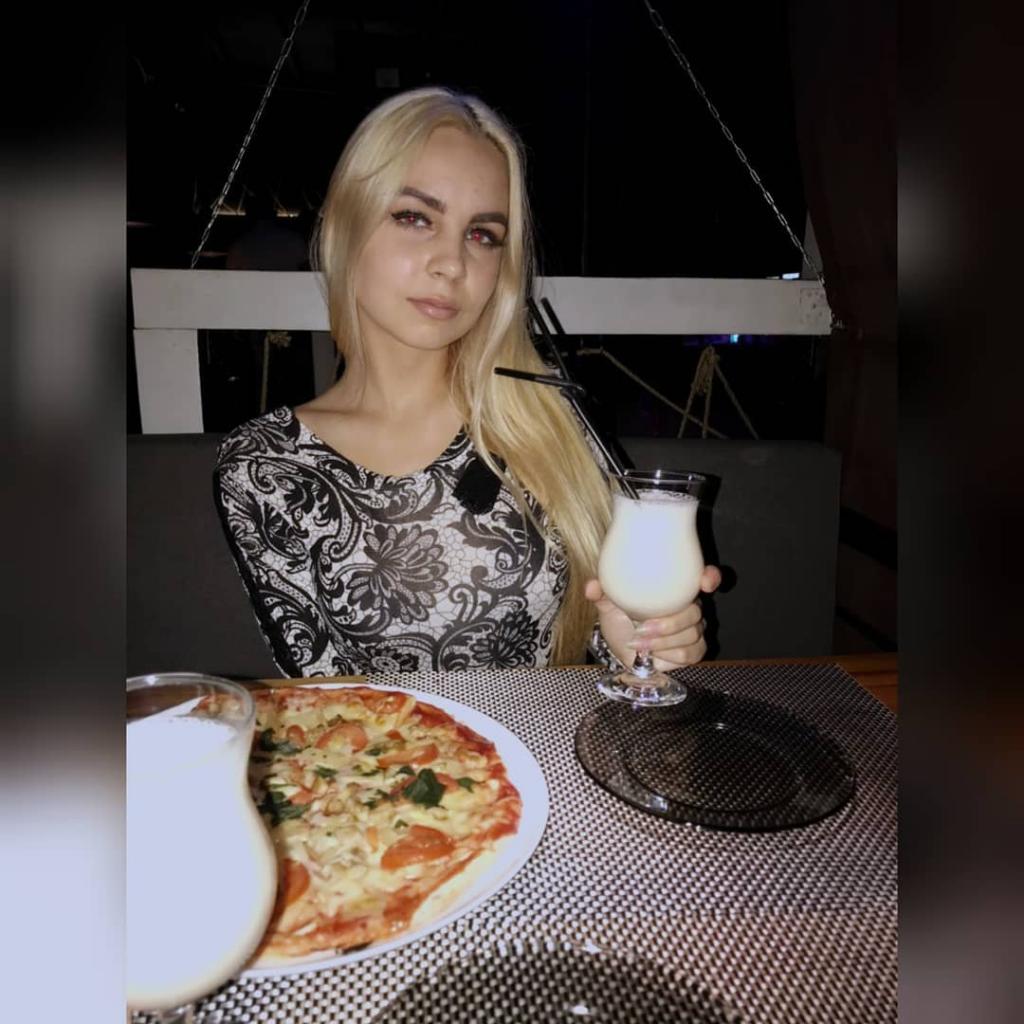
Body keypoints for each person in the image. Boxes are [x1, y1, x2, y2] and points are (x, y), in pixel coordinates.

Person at [213, 86, 720, 677]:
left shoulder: (545, 413)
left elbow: (615, 630)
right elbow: (323, 700)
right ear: (345, 227)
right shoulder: (265, 465)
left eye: (482, 235)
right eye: (414, 218)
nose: (452, 263)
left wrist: (641, 645)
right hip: (385, 740)